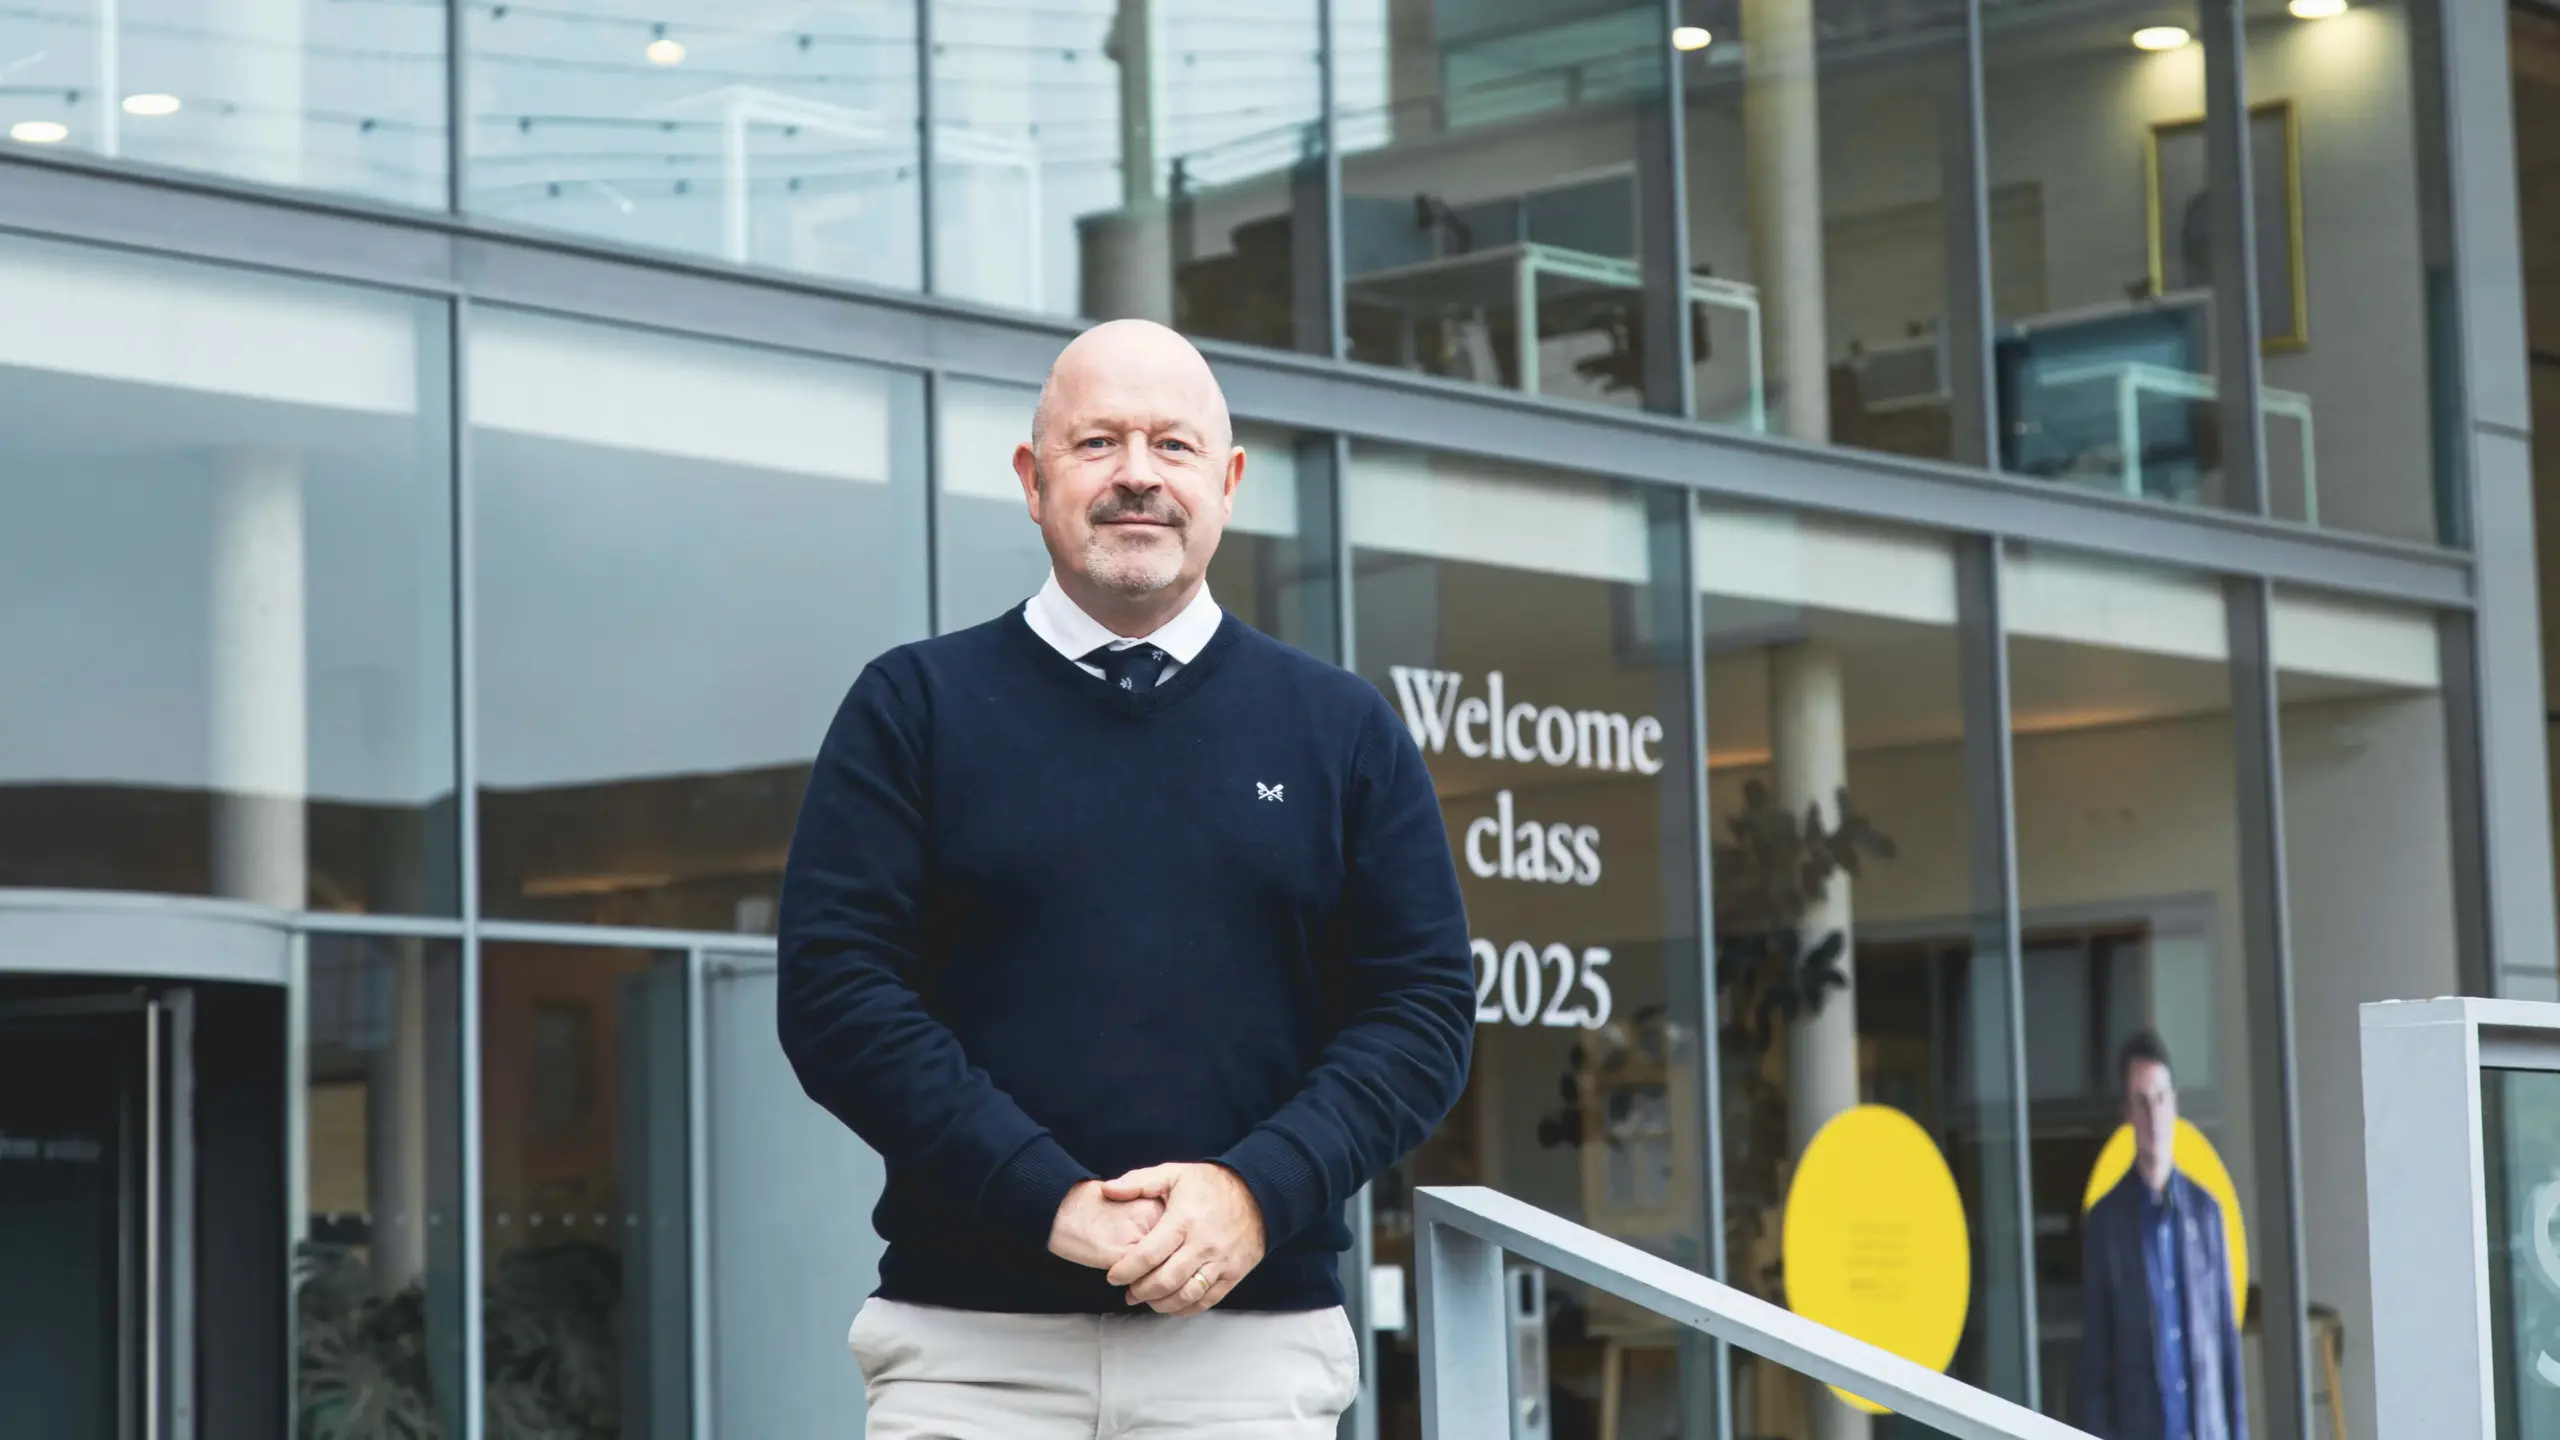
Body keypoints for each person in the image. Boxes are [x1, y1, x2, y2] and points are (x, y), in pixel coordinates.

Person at [776, 318, 1477, 1438]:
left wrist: (1254, 1193)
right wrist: (1046, 1198)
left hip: (1247, 1359)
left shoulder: (1340, 730)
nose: (1138, 475)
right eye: (1098, 442)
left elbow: (1421, 1013)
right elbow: (838, 998)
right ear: (1032, 478)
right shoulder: (912, 709)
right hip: (971, 1361)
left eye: (1173, 445)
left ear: (1228, 482)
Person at [2080, 1030, 2248, 1440]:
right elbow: (2095, 1361)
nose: (2153, 1114)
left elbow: (2226, 1345)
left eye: (2159, 1098)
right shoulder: (2107, 1224)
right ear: (2128, 1113)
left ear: (2174, 1103)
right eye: (2141, 1101)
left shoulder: (2206, 1214)